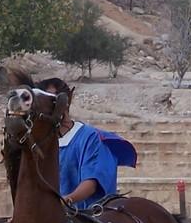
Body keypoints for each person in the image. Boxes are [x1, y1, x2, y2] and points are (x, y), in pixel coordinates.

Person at [38, 77, 137, 210]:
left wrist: (65, 201)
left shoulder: (89, 138)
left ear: (66, 102)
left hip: (88, 216)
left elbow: (91, 183)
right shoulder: (41, 143)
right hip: (53, 216)